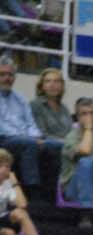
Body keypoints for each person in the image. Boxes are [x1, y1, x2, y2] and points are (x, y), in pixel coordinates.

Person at [0, 54, 42, 192]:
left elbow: (31, 123)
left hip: (22, 138)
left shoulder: (20, 98)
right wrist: (30, 139)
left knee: (56, 146)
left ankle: (54, 192)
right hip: (3, 139)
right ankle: (31, 190)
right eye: (2, 74)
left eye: (10, 75)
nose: (7, 78)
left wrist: (36, 136)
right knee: (28, 144)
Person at [0, 147, 43, 235]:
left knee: (20, 213)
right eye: (6, 167)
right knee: (9, 234)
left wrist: (14, 183)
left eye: (9, 167)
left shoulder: (7, 184)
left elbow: (22, 205)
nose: (9, 171)